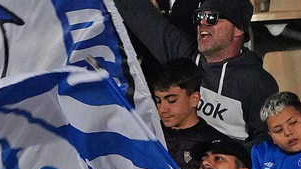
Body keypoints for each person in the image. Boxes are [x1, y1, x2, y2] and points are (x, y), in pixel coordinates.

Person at [112, 0, 278, 140]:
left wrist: (228, 156)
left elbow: (265, 144)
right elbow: (142, 16)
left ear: (238, 29)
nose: (202, 23)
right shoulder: (186, 55)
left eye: (212, 18)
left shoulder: (258, 83)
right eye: (199, 17)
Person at [152, 59, 225, 169]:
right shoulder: (148, 136)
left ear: (194, 99)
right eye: (158, 101)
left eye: (172, 101)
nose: (162, 109)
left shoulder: (216, 144)